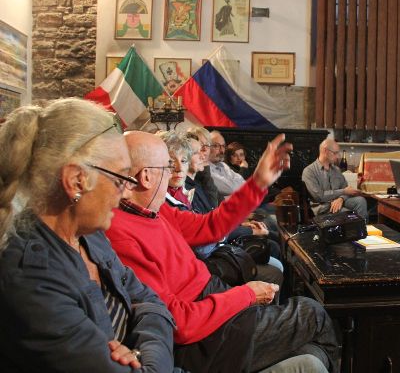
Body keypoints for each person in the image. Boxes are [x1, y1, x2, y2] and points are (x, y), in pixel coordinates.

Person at [105, 131, 339, 373]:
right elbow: (178, 323)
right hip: (204, 339)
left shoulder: (153, 209)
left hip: (212, 301)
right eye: (166, 166)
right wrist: (246, 295)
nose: (174, 173)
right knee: (312, 313)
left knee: (311, 353)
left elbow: (210, 226)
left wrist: (258, 182)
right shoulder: (121, 235)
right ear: (145, 176)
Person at [0, 99, 175, 372]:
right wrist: (151, 357)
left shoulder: (89, 237)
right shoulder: (31, 279)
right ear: (76, 181)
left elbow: (152, 303)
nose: (128, 191)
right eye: (121, 178)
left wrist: (139, 352)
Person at [160, 131, 283, 285]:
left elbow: (210, 221)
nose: (178, 168)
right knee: (273, 272)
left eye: (184, 160)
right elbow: (206, 236)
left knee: (272, 239)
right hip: (200, 271)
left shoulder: (186, 189)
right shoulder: (162, 203)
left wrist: (258, 183)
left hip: (209, 258)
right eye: (171, 163)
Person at [302, 138, 368, 220]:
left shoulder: (336, 170)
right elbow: (319, 196)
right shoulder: (309, 171)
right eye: (335, 153)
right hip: (324, 208)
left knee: (361, 201)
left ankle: (362, 231)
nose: (338, 156)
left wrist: (341, 198)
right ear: (325, 151)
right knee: (350, 214)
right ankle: (355, 230)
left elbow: (346, 188)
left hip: (339, 202)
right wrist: (343, 192)